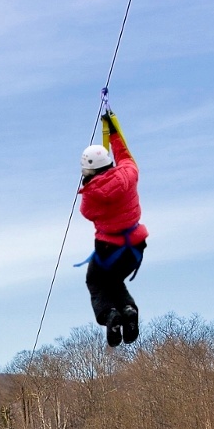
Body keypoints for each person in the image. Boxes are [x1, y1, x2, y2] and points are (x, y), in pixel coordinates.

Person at [78, 108, 148, 347]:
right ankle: (128, 309)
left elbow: (86, 213)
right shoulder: (129, 173)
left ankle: (110, 315)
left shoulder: (92, 195)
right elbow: (125, 155)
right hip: (136, 246)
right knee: (115, 282)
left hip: (109, 248)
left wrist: (89, 183)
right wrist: (114, 132)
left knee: (97, 282)